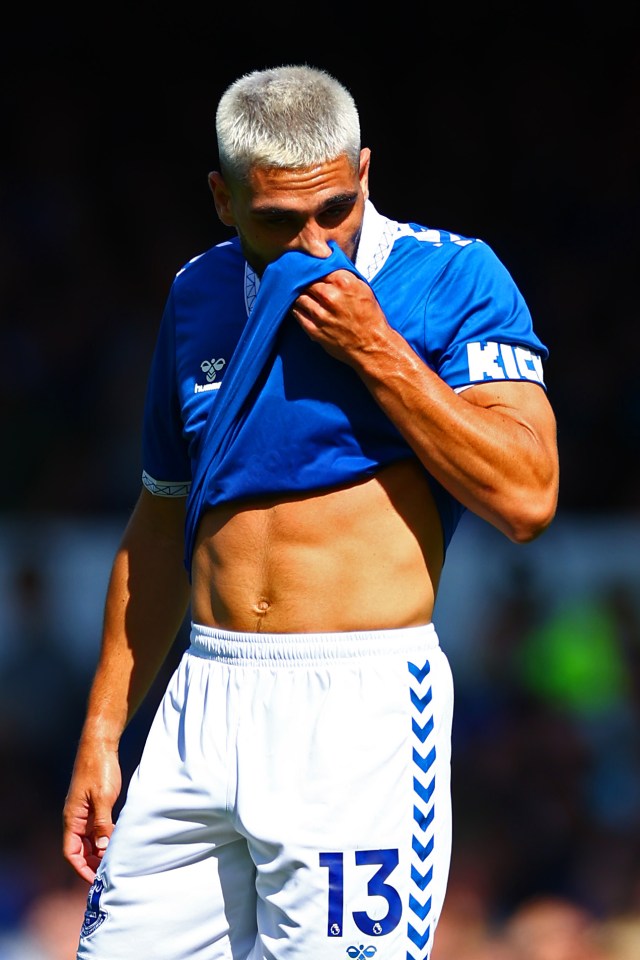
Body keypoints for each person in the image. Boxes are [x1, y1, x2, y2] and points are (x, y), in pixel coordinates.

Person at [63, 64, 559, 960]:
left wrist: (380, 351)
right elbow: (159, 526)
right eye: (279, 222)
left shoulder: (454, 278)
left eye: (336, 209)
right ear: (223, 197)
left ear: (364, 171)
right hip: (200, 703)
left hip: (357, 709)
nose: (316, 245)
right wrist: (105, 730)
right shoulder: (197, 295)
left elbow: (528, 495)